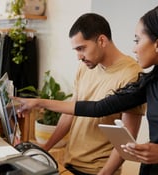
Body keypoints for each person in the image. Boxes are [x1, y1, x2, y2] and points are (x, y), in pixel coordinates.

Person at [14, 4, 158, 175]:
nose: (134, 48)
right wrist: (38, 103)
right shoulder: (152, 82)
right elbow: (98, 108)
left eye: (137, 40)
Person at [21, 13, 145, 175]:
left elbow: (127, 138)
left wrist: (105, 173)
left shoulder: (131, 74)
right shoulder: (86, 66)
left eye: (81, 48)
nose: (79, 56)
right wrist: (45, 149)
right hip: (70, 162)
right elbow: (70, 114)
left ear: (101, 41)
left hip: (97, 170)